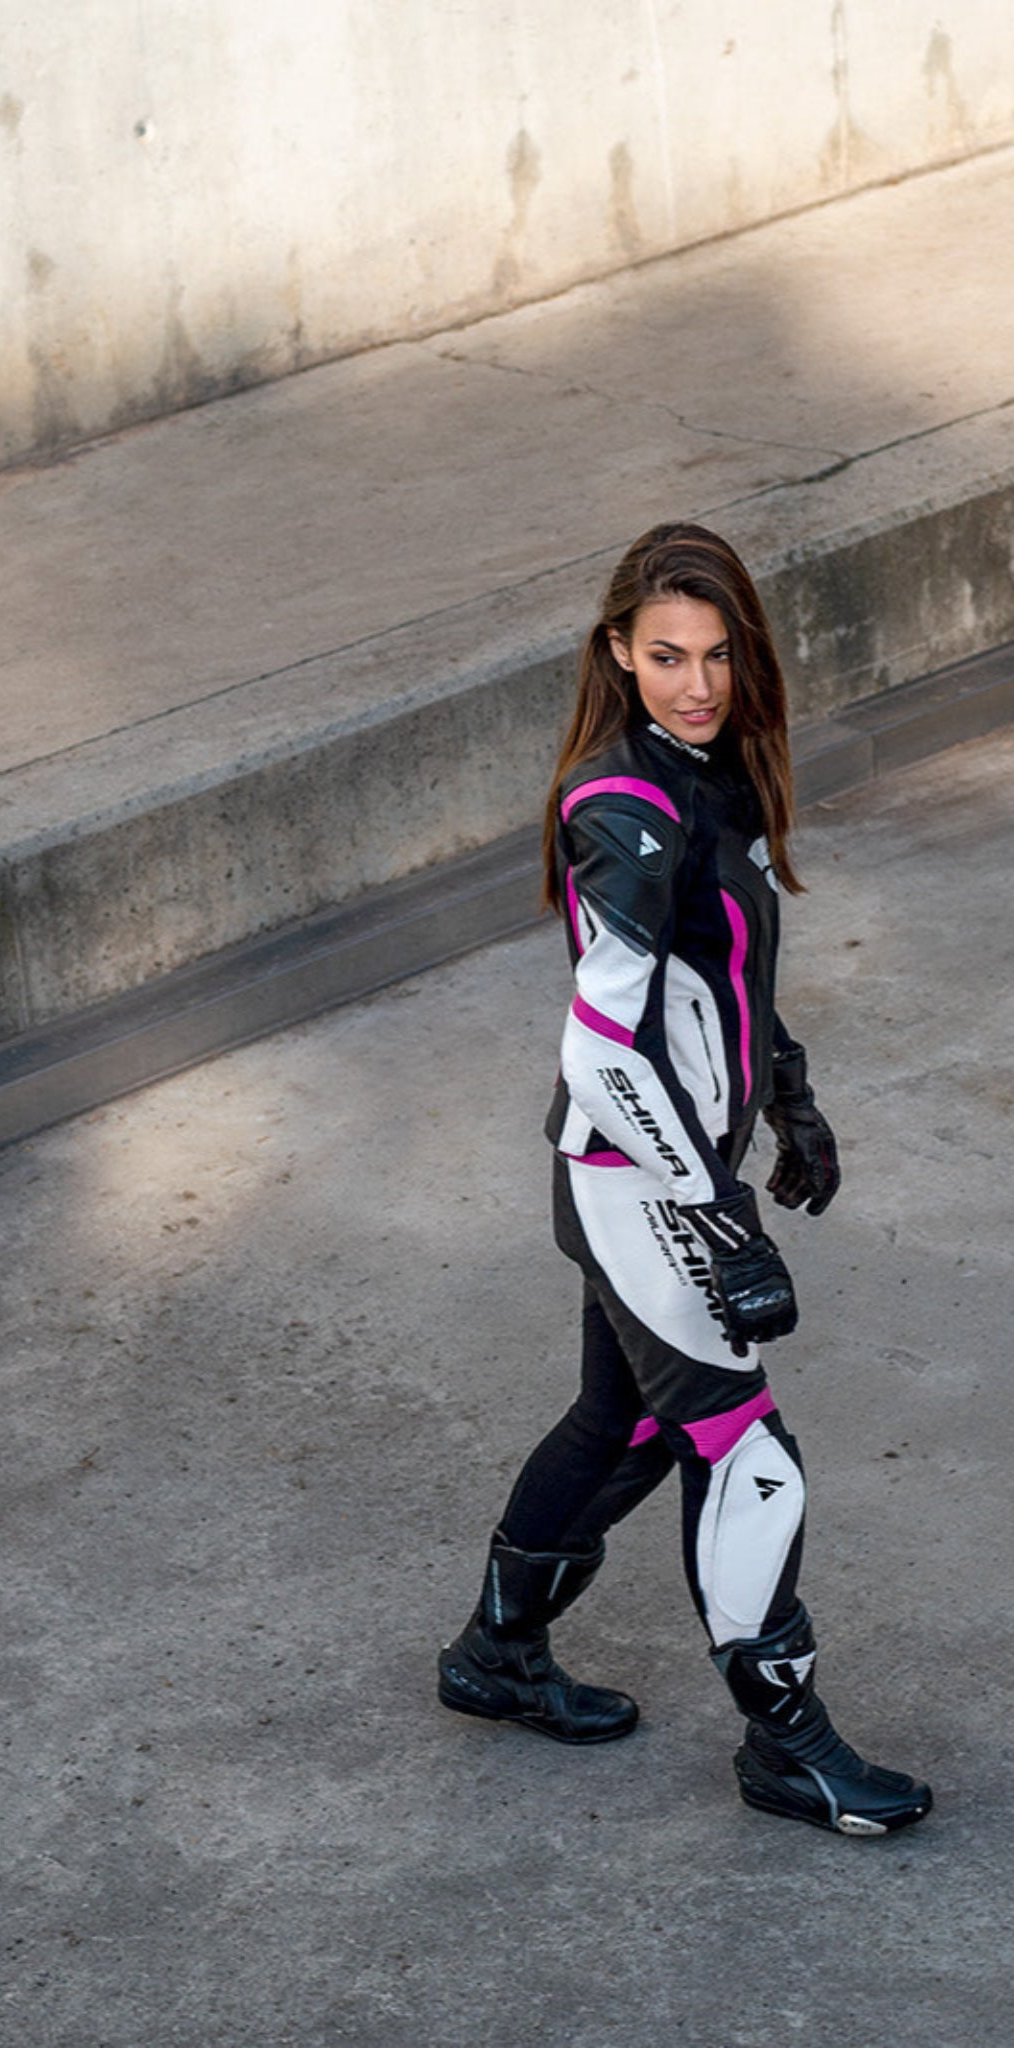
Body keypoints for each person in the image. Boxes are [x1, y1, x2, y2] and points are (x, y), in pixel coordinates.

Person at [435, 521, 932, 1837]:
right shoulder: (620, 809)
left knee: (628, 1420)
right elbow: (602, 1048)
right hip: (632, 1185)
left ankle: (495, 1653)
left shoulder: (717, 778)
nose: (696, 683)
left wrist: (790, 1091)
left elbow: (724, 978)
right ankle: (789, 1747)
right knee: (749, 1453)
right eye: (665, 656)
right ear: (618, 652)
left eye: (718, 655)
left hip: (671, 1173)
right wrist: (716, 1217)